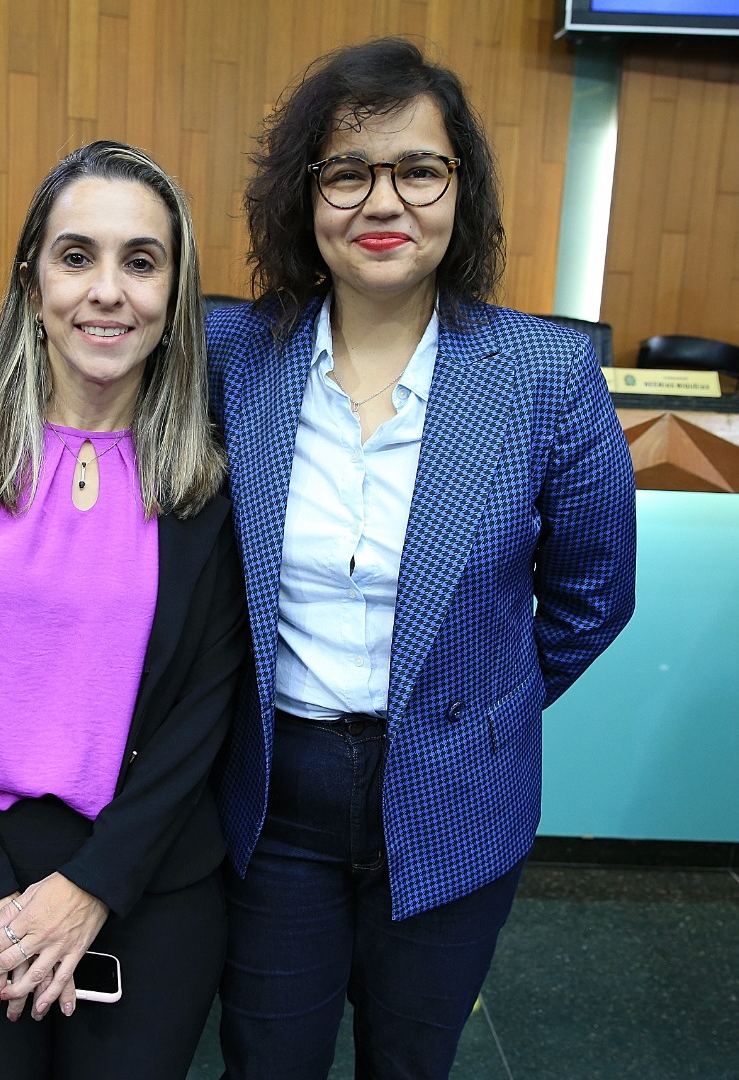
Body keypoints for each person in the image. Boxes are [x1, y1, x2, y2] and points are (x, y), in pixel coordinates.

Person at [206, 37, 637, 1080]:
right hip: (273, 789)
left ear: (460, 187)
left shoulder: (545, 372)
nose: (383, 201)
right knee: (267, 1059)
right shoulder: (233, 356)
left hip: (456, 787)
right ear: (305, 195)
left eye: (418, 169)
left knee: (411, 1061)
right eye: (347, 172)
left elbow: (592, 595)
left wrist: (478, 700)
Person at [0, 140, 248, 1080]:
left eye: (141, 261)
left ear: (174, 296)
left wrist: (91, 888)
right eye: (77, 256)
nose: (107, 291)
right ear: (31, 283)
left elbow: (205, 707)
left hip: (146, 881)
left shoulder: (213, 484)